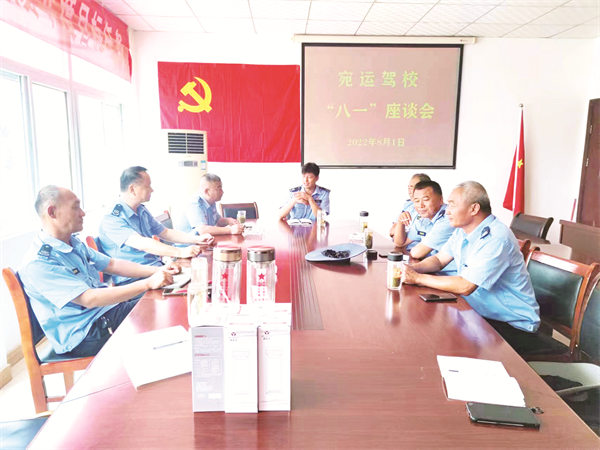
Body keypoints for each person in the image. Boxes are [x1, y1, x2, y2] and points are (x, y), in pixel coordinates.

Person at [20, 186, 178, 357]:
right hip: (86, 331)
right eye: (75, 207)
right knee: (161, 310)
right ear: (52, 212)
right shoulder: (39, 262)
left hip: (105, 312)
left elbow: (112, 264)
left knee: (166, 296)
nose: (82, 213)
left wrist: (158, 270)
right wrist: (148, 283)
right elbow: (89, 299)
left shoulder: (72, 242)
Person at [400, 181, 540, 354]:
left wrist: (418, 278)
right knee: (424, 335)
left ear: (474, 209)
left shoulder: (496, 237)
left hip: (511, 325)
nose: (447, 211)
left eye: (452, 205)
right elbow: (438, 260)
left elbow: (465, 286)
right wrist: (411, 269)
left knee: (438, 346)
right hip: (476, 313)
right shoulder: (463, 230)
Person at [98, 166, 213, 285]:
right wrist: (180, 252)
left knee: (203, 279)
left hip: (157, 270)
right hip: (135, 280)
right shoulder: (112, 218)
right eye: (147, 186)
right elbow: (142, 243)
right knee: (197, 285)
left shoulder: (141, 210)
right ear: (132, 189)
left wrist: (196, 239)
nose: (152, 190)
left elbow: (165, 232)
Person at [391, 180, 455, 268]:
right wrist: (400, 222)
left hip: (447, 273)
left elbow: (417, 253)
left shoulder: (448, 217)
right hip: (430, 268)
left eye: (425, 200)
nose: (421, 205)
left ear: (441, 200)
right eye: (416, 201)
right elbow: (400, 243)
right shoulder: (424, 217)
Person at [176, 173, 244, 236]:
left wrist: (229, 221)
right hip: (189, 244)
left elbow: (217, 221)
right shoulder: (194, 204)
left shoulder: (211, 201)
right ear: (207, 191)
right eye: (219, 189)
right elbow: (202, 230)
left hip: (203, 241)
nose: (222, 192)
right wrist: (230, 230)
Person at [389, 173, 430, 237]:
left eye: (413, 187)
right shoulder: (408, 205)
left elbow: (417, 235)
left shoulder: (428, 209)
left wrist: (401, 231)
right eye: (409, 187)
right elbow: (392, 231)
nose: (410, 191)